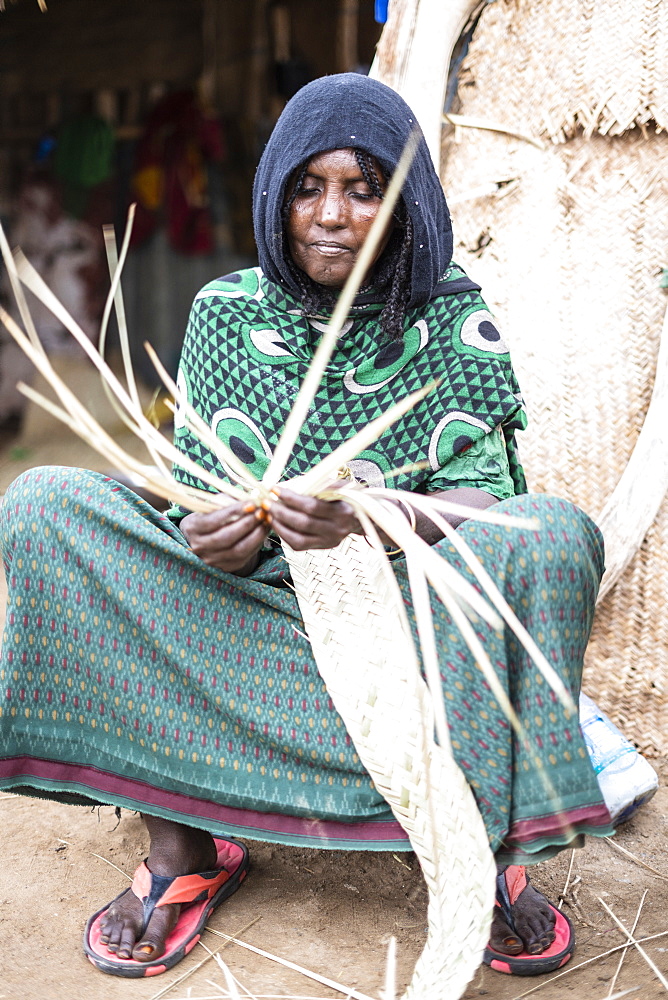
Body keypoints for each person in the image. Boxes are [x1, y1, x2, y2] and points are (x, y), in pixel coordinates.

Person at [0, 74, 613, 980]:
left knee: (554, 533)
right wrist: (216, 531)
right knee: (45, 504)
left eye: (363, 190)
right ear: (276, 194)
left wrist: (370, 517)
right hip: (247, 623)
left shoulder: (452, 317)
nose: (330, 214)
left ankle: (480, 853)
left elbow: (489, 496)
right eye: (307, 187)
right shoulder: (226, 315)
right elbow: (194, 500)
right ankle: (183, 852)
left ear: (404, 207)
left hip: (409, 628)